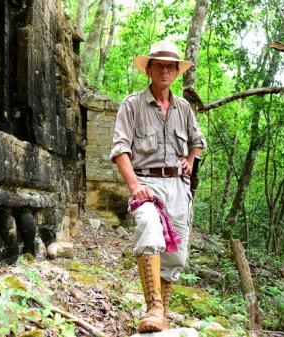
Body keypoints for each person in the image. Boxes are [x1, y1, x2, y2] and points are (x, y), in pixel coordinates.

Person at [109, 40, 206, 333]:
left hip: (178, 185)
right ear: (149, 69)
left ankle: (160, 314)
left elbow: (198, 143)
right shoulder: (132, 105)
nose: (164, 71)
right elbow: (119, 150)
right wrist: (135, 185)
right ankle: (153, 307)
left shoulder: (184, 108)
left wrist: (191, 159)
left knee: (176, 255)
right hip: (147, 183)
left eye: (170, 66)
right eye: (159, 65)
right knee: (150, 228)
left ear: (176, 73)